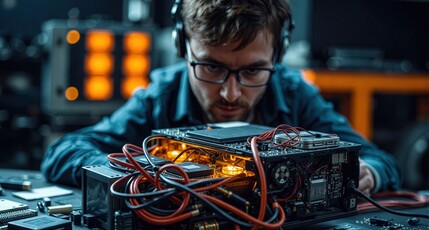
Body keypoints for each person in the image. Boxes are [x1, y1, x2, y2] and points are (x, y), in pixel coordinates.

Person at [41, 0, 400, 195]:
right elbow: (64, 151)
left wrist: (369, 172)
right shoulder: (162, 95)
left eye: (252, 71)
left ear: (278, 54)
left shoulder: (294, 94)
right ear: (183, 48)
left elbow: (379, 160)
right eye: (212, 68)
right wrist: (139, 172)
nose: (231, 93)